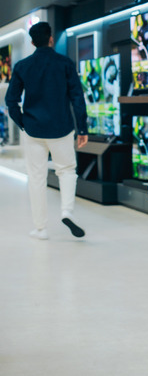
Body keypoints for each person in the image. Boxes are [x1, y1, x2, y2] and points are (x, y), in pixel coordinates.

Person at [5, 22, 87, 240]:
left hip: (34, 130)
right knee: (67, 170)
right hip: (62, 128)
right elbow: (78, 98)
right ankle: (66, 211)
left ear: (32, 42)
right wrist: (83, 129)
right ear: (51, 39)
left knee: (37, 177)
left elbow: (10, 101)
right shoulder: (65, 64)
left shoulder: (22, 66)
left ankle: (40, 228)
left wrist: (23, 123)